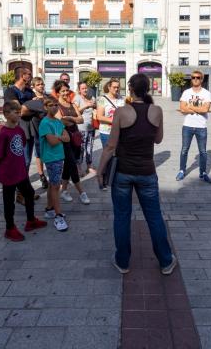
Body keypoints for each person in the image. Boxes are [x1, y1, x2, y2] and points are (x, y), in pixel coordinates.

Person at [97, 73, 176, 275]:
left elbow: (110, 146)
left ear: (130, 89)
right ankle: (166, 261)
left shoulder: (122, 112)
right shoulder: (156, 110)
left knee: (122, 217)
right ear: (148, 89)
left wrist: (100, 171)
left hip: (123, 172)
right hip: (147, 172)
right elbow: (158, 140)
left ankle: (123, 262)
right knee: (154, 217)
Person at [0, 101, 47, 242]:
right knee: (9, 201)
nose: (19, 114)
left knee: (29, 192)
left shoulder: (19, 130)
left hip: (20, 171)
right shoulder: (3, 134)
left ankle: (30, 221)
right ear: (6, 114)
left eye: (19, 112)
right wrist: (5, 168)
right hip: (8, 174)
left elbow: (21, 146)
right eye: (15, 112)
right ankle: (9, 228)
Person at [54, 80, 90, 205]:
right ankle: (82, 193)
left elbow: (81, 119)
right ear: (57, 93)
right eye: (62, 91)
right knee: (72, 164)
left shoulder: (73, 104)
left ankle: (63, 190)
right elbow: (61, 122)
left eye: (67, 90)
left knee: (69, 165)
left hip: (75, 138)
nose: (65, 93)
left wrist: (69, 118)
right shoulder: (56, 106)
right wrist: (72, 120)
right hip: (65, 139)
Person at [39, 96, 70, 231]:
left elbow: (67, 138)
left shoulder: (58, 121)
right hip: (51, 158)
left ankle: (49, 209)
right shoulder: (45, 123)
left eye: (56, 104)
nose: (54, 107)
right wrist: (60, 138)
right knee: (56, 186)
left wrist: (58, 137)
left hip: (59, 156)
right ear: (45, 107)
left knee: (53, 184)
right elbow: (52, 142)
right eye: (50, 105)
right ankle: (58, 216)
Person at [176, 70, 211, 183]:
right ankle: (182, 171)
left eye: (198, 77)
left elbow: (205, 109)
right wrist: (197, 109)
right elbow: (182, 108)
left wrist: (190, 107)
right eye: (193, 77)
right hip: (187, 126)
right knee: (184, 150)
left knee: (203, 152)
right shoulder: (186, 92)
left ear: (202, 79)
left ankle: (203, 173)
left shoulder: (206, 93)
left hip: (201, 127)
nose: (195, 79)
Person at [29, 77, 49, 190]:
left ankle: (50, 173)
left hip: (48, 129)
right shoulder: (32, 98)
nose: (41, 86)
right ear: (34, 86)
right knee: (39, 154)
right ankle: (41, 176)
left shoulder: (47, 97)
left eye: (42, 84)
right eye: (38, 84)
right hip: (37, 129)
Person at [74, 81, 97, 175]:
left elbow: (96, 108)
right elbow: (75, 112)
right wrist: (86, 105)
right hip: (81, 128)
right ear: (79, 90)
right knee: (81, 148)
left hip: (91, 127)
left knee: (89, 147)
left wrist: (94, 105)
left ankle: (89, 166)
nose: (85, 90)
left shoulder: (92, 97)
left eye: (86, 88)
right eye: (83, 88)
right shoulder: (77, 98)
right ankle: (78, 167)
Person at [97, 78, 124, 148]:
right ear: (109, 87)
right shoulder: (102, 99)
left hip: (119, 132)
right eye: (114, 87)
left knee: (119, 155)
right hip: (107, 132)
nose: (116, 89)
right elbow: (99, 117)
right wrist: (115, 121)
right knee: (109, 155)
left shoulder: (121, 99)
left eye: (118, 87)